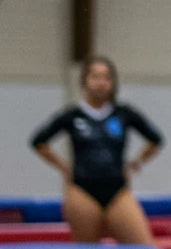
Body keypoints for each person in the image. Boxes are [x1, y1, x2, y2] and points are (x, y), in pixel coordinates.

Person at [29, 56, 163, 245]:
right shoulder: (73, 115)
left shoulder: (123, 113)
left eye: (106, 78)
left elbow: (156, 139)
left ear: (113, 83)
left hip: (117, 191)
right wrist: (64, 167)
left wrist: (137, 162)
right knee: (87, 246)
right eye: (95, 77)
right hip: (83, 191)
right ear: (84, 81)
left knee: (143, 245)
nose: (101, 83)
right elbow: (38, 141)